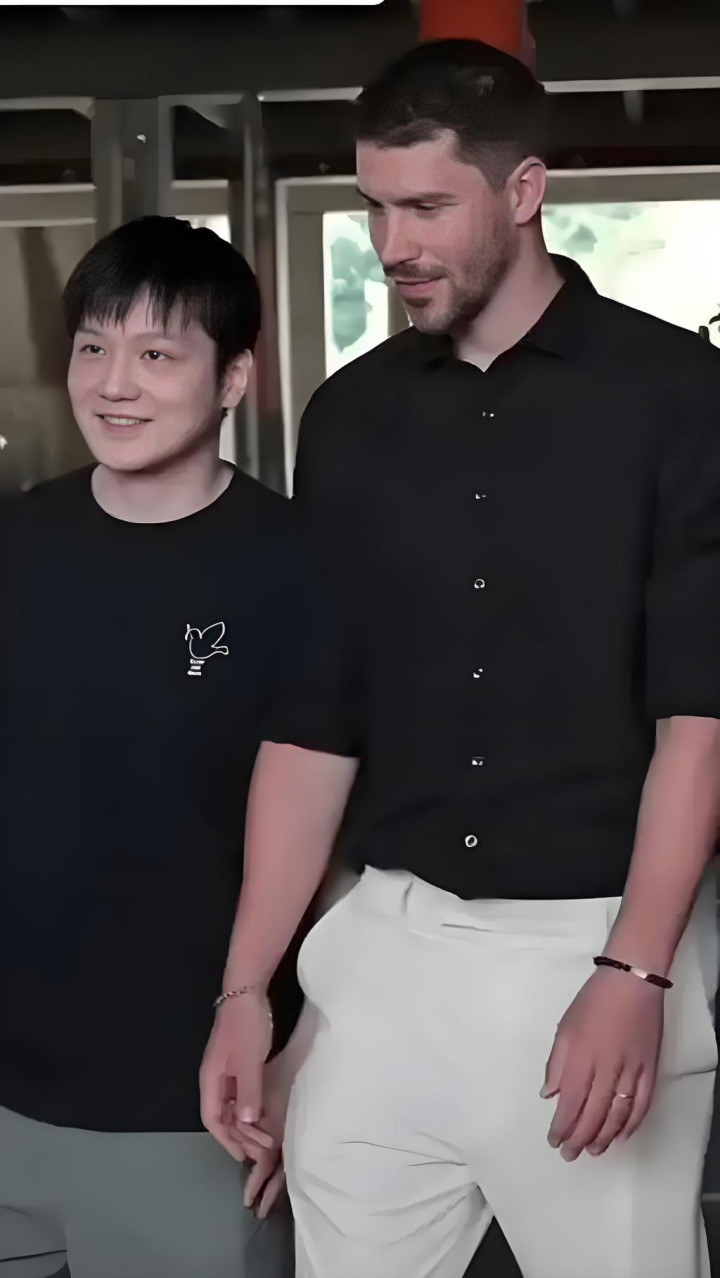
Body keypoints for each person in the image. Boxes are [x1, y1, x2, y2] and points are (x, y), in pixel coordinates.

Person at [201, 40, 720, 1278]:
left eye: (428, 207)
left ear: (525, 190)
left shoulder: (680, 394)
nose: (394, 245)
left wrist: (636, 970)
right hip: (387, 950)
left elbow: (701, 717)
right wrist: (247, 992)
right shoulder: (349, 416)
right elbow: (313, 722)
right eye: (377, 208)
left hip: (592, 946)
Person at [0, 216, 299, 1278]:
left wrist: (299, 1049)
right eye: (93, 347)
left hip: (194, 1100)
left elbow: (349, 844)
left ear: (233, 379)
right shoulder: (19, 542)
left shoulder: (297, 562)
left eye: (157, 354)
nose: (114, 384)